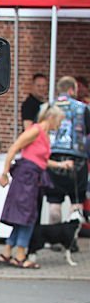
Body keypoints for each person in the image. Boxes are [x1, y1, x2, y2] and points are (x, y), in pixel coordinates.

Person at [0, 105, 67, 269]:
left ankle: (8, 251)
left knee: (25, 215)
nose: (60, 125)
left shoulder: (45, 135)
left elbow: (41, 160)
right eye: (59, 121)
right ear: (51, 118)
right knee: (27, 216)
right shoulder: (35, 130)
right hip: (26, 177)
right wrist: (5, 172)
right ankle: (20, 254)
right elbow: (14, 148)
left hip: (33, 177)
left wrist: (60, 164)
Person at [45, 76, 90, 227]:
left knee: (54, 201)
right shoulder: (82, 108)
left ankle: (53, 238)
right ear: (72, 89)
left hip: (53, 158)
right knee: (76, 201)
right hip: (77, 160)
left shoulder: (48, 107)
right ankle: (71, 242)